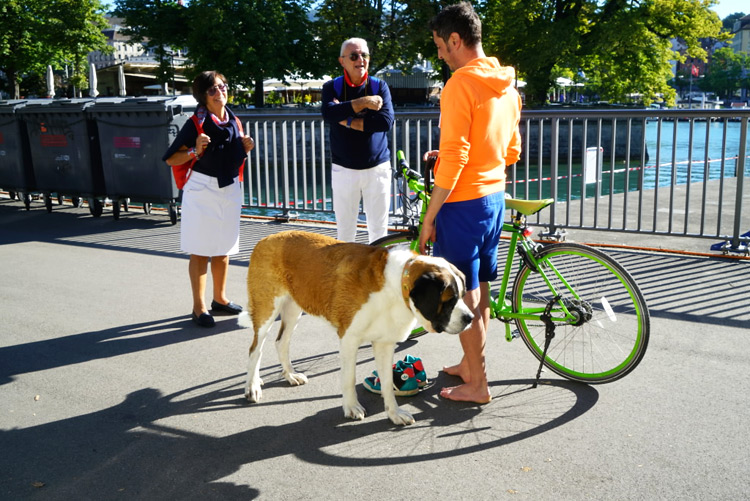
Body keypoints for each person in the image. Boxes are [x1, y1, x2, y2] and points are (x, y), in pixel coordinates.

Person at [418, 2, 522, 403]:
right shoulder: (506, 85)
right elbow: (510, 150)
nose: (440, 55)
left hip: (462, 207)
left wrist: (430, 217)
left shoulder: (460, 85)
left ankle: (478, 385)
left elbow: (459, 157)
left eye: (441, 47)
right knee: (480, 291)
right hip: (493, 199)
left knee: (464, 299)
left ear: (456, 40)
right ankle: (470, 365)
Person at [163, 71, 255, 327]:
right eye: (213, 89)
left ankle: (220, 299)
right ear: (203, 96)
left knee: (224, 249)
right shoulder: (195, 123)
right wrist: (194, 149)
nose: (220, 92)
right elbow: (171, 158)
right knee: (201, 251)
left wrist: (245, 147)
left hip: (230, 188)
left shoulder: (234, 120)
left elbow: (230, 153)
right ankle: (199, 307)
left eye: (223, 86)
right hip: (202, 190)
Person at [321, 38, 395, 243]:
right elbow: (328, 113)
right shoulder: (331, 87)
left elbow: (385, 122)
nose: (360, 60)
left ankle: (377, 275)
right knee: (345, 233)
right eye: (354, 56)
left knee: (379, 232)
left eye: (364, 55)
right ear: (342, 61)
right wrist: (363, 103)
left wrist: (346, 119)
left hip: (377, 168)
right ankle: (347, 276)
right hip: (344, 169)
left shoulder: (379, 86)